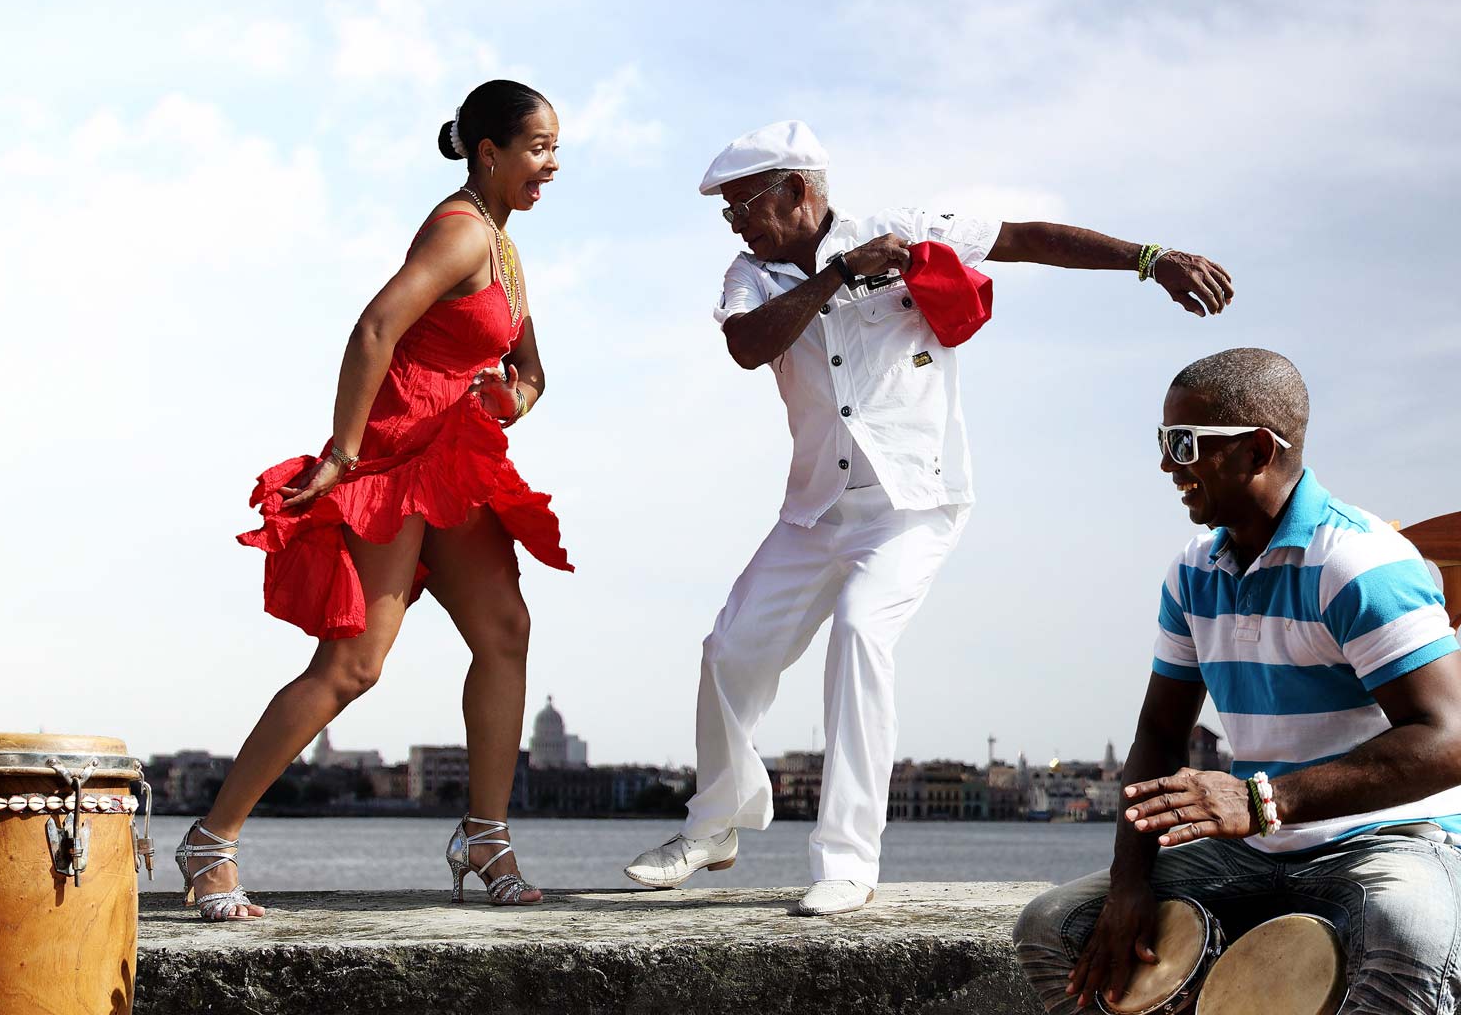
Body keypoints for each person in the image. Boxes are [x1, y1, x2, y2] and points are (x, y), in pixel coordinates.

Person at [624, 120, 1236, 916]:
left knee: (859, 632)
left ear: (800, 190)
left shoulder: (908, 228)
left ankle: (846, 860)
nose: (737, 223)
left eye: (747, 204)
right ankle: (718, 823)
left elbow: (1026, 238)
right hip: (815, 509)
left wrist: (1149, 261)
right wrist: (840, 273)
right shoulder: (752, 275)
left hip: (915, 503)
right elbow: (746, 346)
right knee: (728, 649)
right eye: (730, 211)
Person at [180, 80, 569, 921]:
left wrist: (512, 400)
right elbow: (373, 328)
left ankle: (485, 835)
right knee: (353, 667)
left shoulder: (505, 247)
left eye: (556, 148)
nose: (552, 164)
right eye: (538, 148)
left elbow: (532, 371)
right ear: (489, 152)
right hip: (393, 459)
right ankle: (210, 840)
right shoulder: (461, 232)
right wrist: (344, 454)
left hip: (453, 458)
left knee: (506, 630)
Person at [1015, 348, 1461, 1013]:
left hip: (1386, 839)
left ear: (1256, 450)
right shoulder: (1193, 573)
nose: (1168, 465)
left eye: (1185, 443)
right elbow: (1161, 733)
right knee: (1054, 929)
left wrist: (1262, 801)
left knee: (1410, 931)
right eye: (1163, 442)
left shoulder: (1359, 563)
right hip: (1252, 851)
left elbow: (1448, 738)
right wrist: (1129, 885)